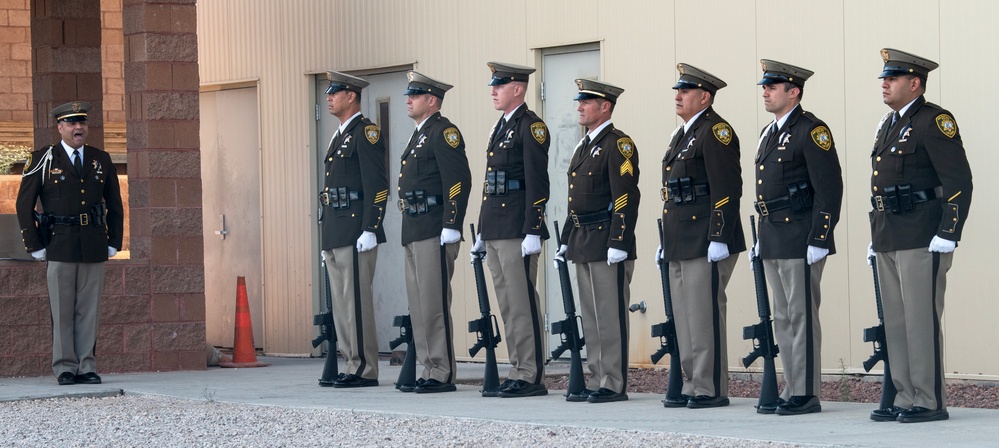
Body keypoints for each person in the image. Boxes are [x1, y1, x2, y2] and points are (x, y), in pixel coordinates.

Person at [867, 48, 973, 423]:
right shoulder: (888, 124)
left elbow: (959, 180)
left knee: (920, 319)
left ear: (915, 83)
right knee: (895, 322)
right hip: (889, 234)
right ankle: (905, 394)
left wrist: (949, 231)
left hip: (922, 235)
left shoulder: (934, 121)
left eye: (892, 78)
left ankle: (928, 400)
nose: (884, 83)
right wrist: (875, 234)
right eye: (884, 78)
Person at [752, 60, 843, 415]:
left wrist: (820, 236)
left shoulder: (811, 130)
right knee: (785, 316)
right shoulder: (769, 132)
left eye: (773, 87)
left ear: (794, 92)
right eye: (765, 87)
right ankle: (791, 386)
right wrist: (761, 236)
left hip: (801, 235)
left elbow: (829, 188)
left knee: (802, 314)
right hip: (773, 234)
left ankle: (806, 392)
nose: (766, 92)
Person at [15, 101, 124, 386]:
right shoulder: (43, 159)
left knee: (89, 309)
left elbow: (115, 204)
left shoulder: (101, 159)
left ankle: (87, 365)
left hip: (93, 244)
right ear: (60, 127)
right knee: (62, 309)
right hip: (59, 243)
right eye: (72, 123)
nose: (78, 128)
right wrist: (34, 245)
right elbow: (24, 205)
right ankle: (65, 366)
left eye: (82, 123)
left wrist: (114, 240)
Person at [657, 64, 745, 409]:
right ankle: (692, 383)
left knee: (703, 314)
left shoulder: (716, 131)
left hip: (706, 236)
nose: (678, 97)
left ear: (704, 97)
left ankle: (711, 388)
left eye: (685, 92)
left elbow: (727, 187)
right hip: (681, 237)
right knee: (684, 315)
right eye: (677, 91)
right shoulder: (683, 134)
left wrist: (719, 235)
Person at [554, 79, 640, 404]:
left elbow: (626, 197)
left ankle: (613, 382)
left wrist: (619, 240)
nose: (579, 107)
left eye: (586, 102)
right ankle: (597, 376)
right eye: (580, 101)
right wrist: (565, 239)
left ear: (605, 106)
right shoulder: (584, 146)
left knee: (610, 314)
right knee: (591, 316)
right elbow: (576, 201)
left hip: (607, 241)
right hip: (583, 241)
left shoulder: (619, 144)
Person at [469, 62, 550, 398]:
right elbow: (492, 184)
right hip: (497, 227)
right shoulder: (500, 127)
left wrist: (534, 229)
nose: (493, 91)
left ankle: (530, 373)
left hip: (517, 228)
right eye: (493, 85)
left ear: (518, 89)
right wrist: (482, 230)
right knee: (506, 302)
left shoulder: (531, 127)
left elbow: (537, 182)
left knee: (521, 302)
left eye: (499, 86)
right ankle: (517, 367)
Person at [397, 71, 472, 394]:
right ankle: (428, 366)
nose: (408, 100)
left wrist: (452, 224)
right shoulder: (418, 135)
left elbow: (458, 180)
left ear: (432, 100)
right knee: (418, 304)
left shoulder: (444, 132)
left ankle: (441, 370)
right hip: (414, 227)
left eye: (415, 95)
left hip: (434, 228)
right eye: (408, 95)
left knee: (434, 303)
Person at [318, 71, 389, 388]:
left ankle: (365, 368)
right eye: (328, 93)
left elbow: (378, 185)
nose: (329, 97)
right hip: (336, 229)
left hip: (356, 230)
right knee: (343, 304)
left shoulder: (366, 133)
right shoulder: (339, 135)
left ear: (352, 97)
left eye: (336, 92)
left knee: (356, 303)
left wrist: (371, 228)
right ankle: (350, 362)